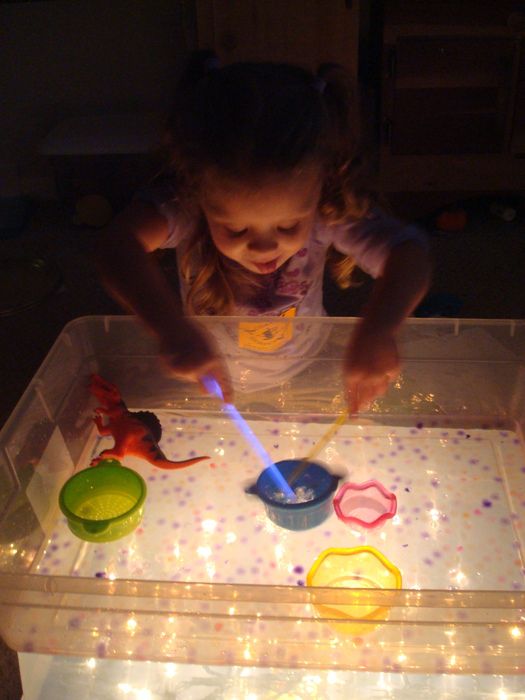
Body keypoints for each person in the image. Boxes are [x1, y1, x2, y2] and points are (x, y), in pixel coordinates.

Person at [93, 52, 431, 413]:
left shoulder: (325, 211)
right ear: (196, 192)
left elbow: (409, 253)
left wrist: (379, 328)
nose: (264, 246)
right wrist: (169, 328)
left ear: (322, 185)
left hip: (304, 365)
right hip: (208, 375)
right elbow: (116, 246)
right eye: (236, 228)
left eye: (289, 225)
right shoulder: (184, 209)